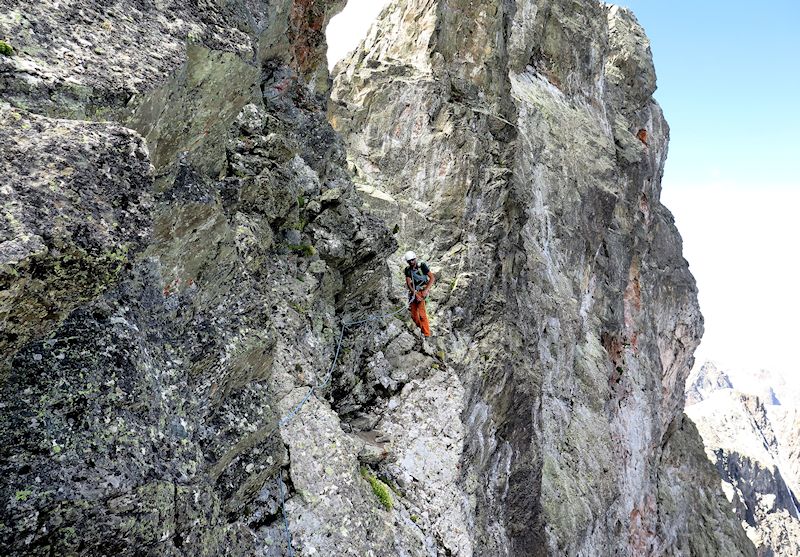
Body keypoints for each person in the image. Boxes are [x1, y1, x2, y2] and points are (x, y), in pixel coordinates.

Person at [403, 251, 435, 337]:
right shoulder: (407, 270)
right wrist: (415, 294)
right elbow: (409, 284)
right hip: (414, 292)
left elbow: (432, 278)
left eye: (412, 260)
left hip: (422, 291)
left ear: (415, 258)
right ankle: (420, 329)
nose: (411, 262)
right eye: (409, 261)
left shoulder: (422, 266)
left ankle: (426, 334)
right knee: (413, 315)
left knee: (421, 314)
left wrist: (426, 290)